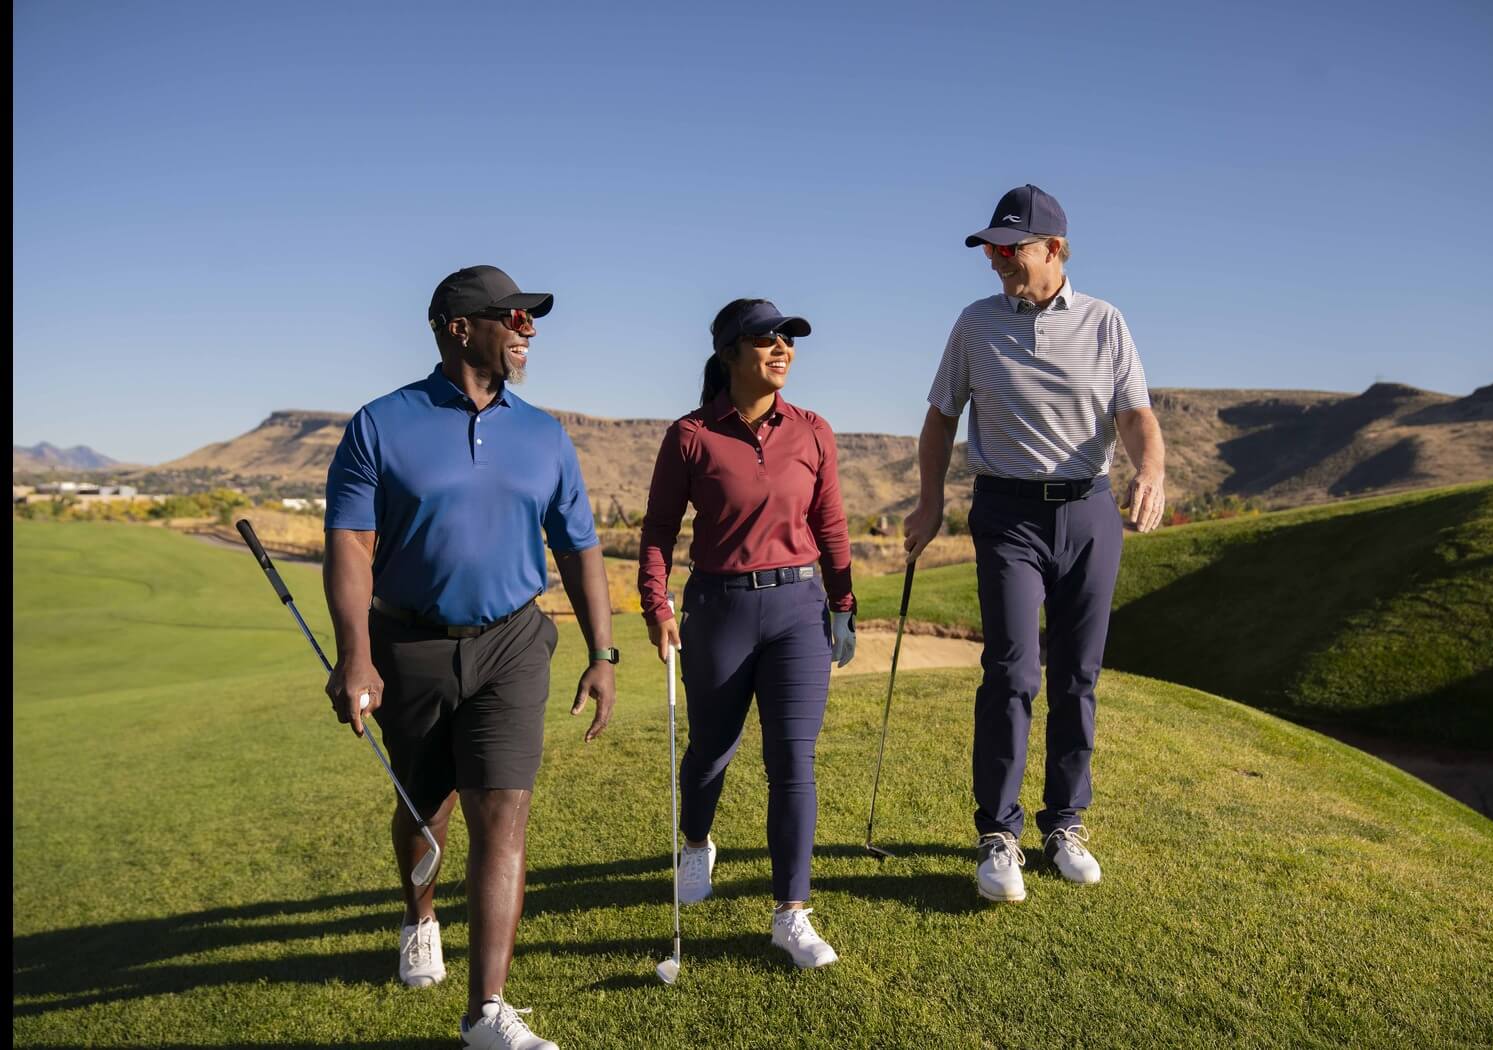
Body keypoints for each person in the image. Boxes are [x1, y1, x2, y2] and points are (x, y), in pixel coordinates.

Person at [323, 265, 617, 1050]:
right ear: (460, 326)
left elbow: (579, 546)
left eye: (530, 318)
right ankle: (419, 915)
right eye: (514, 315)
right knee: (427, 809)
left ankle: (487, 1012)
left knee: (503, 811)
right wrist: (356, 657)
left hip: (514, 642)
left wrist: (603, 650)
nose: (528, 328)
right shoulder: (381, 424)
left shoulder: (544, 433)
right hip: (410, 646)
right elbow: (351, 544)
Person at [903, 186, 1166, 903]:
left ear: (1053, 249)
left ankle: (1065, 825)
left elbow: (1137, 416)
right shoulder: (974, 324)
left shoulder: (1106, 322)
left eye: (1008, 248)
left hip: (1088, 512)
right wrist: (930, 502)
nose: (995, 261)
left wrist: (1152, 471)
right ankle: (999, 834)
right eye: (990, 250)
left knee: (1078, 675)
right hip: (1008, 514)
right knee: (1014, 671)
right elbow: (938, 420)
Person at [638, 298, 857, 969]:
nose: (782, 349)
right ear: (731, 353)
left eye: (788, 340)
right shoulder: (691, 436)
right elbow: (657, 533)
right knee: (711, 749)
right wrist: (658, 607)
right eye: (766, 340)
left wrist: (843, 605)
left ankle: (791, 913)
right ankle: (697, 841)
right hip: (719, 609)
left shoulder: (814, 431)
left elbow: (832, 528)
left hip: (798, 611)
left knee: (793, 760)